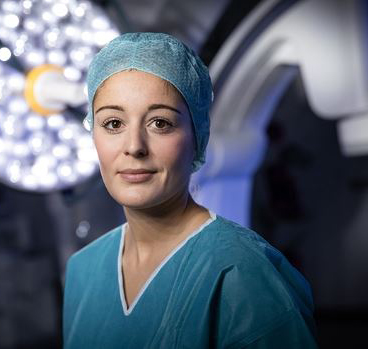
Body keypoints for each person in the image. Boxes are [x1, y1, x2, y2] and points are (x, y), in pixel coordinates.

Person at [63, 32, 317, 348]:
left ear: (197, 136)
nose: (134, 147)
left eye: (160, 123)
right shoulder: (83, 271)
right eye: (113, 123)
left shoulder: (243, 275)